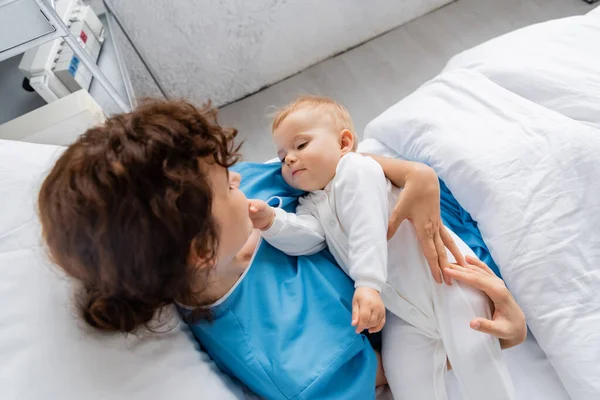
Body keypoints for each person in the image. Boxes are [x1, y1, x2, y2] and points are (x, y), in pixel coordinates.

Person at [37, 99, 526, 399]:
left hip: (431, 183)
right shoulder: (295, 361)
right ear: (199, 252)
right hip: (479, 262)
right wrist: (500, 335)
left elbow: (334, 162)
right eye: (224, 184)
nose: (237, 176)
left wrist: (415, 176)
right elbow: (405, 368)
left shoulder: (241, 196)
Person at [249, 96, 516, 399]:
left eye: (300, 146)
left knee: (479, 367)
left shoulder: (358, 169)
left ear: (344, 142)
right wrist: (273, 222)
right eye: (282, 156)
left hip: (448, 282)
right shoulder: (311, 204)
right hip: (403, 314)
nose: (290, 160)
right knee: (407, 379)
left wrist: (367, 284)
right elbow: (307, 239)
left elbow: (367, 222)